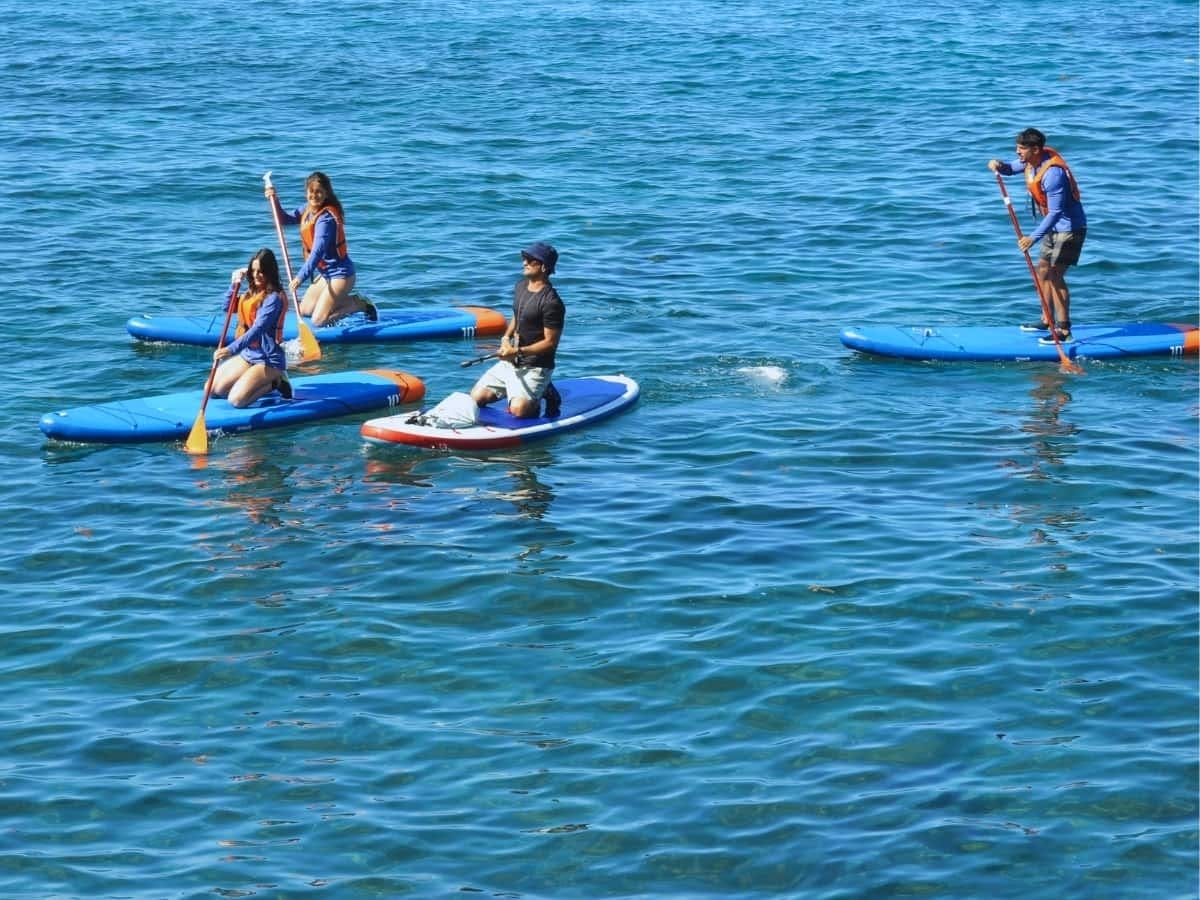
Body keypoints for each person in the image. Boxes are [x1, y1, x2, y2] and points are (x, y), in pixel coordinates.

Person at [988, 128, 1087, 344]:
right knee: (1043, 271)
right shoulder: (1030, 161)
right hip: (1052, 228)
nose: (1017, 152)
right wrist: (999, 165)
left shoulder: (1053, 174)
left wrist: (1032, 237)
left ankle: (1063, 330)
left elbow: (1056, 212)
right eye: (1017, 147)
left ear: (1035, 149)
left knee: (1055, 276)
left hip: (1070, 229)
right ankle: (1047, 319)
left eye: (1021, 149)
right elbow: (1011, 168)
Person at [265, 171, 376, 326]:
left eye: (319, 192)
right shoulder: (307, 209)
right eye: (311, 191)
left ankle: (360, 304)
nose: (314, 196)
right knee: (304, 310)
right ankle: (337, 301)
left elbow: (317, 252)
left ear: (326, 194)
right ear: (306, 193)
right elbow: (283, 219)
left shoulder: (326, 219)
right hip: (326, 275)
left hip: (341, 275)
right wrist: (274, 199)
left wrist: (300, 278)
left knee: (318, 320)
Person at [470, 242, 565, 418]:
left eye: (530, 260)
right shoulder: (520, 286)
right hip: (511, 362)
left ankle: (545, 391)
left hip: (536, 366)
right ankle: (521, 389)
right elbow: (518, 315)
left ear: (544, 267)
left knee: (519, 411)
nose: (524, 263)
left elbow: (550, 343)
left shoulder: (552, 303)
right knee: (476, 398)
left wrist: (517, 351)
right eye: (524, 259)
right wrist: (506, 338)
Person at [212, 248, 292, 408]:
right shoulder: (251, 292)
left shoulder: (274, 298)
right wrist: (234, 284)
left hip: (269, 359)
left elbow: (258, 330)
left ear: (270, 272)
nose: (256, 275)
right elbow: (227, 308)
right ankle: (259, 382)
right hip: (249, 355)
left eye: (261, 271)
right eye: (253, 271)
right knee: (214, 389)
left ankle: (276, 382)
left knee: (236, 400)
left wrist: (230, 349)